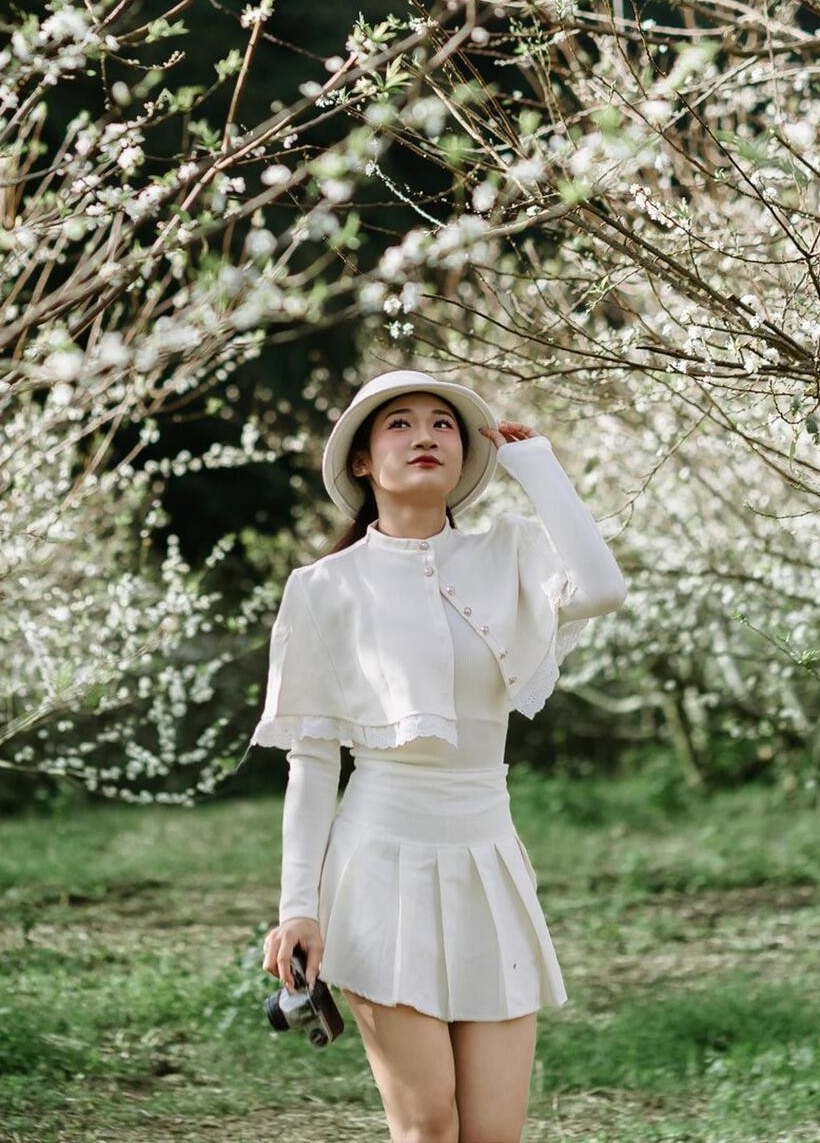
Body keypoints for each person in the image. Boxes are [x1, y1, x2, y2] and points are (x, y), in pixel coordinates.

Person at [255, 368, 627, 1143]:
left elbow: (600, 587)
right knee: (428, 1126)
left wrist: (539, 468)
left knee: (494, 1133)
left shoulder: (513, 550)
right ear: (361, 461)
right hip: (378, 859)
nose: (425, 435)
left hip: (488, 855)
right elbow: (314, 758)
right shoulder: (323, 588)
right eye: (399, 424)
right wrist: (300, 908)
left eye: (443, 424)